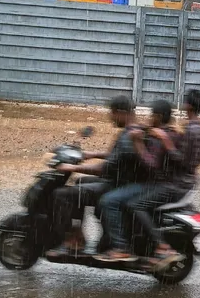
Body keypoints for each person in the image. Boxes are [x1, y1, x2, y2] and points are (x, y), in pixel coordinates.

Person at [46, 95, 142, 259]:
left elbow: (105, 168)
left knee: (62, 194)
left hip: (118, 183)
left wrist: (73, 167)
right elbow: (117, 156)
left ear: (119, 112)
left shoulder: (127, 136)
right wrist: (92, 154)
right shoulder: (133, 131)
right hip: (123, 180)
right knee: (79, 182)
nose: (110, 118)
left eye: (111, 113)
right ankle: (80, 236)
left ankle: (72, 241)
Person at [126, 89, 200, 267]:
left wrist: (165, 140)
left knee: (136, 204)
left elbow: (183, 161)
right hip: (185, 181)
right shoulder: (198, 128)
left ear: (187, 105)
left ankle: (163, 247)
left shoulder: (192, 131)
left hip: (177, 185)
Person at [96, 98, 179, 263]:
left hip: (154, 185)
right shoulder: (162, 132)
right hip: (157, 183)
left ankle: (121, 248)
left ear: (159, 116)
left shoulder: (161, 136)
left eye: (152, 115)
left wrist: (138, 142)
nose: (149, 118)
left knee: (109, 200)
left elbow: (152, 165)